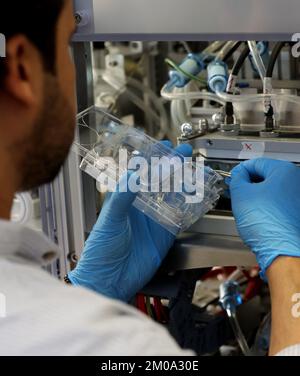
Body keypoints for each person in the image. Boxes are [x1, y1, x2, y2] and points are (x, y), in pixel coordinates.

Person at [0, 0, 299, 356]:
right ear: (22, 67)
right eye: (68, 42)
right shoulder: (122, 346)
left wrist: (86, 291)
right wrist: (287, 262)